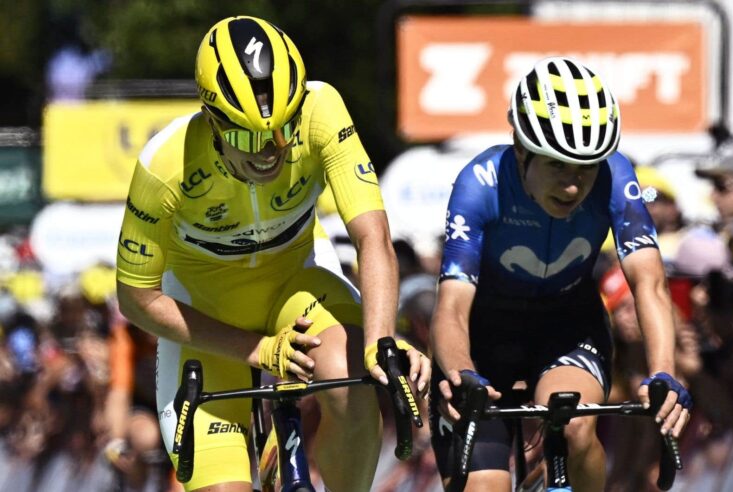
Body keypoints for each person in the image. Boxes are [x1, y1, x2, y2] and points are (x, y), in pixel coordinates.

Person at [115, 16, 430, 492]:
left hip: (298, 284)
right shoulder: (165, 166)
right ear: (213, 121)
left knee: (350, 384)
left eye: (283, 129)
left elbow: (373, 238)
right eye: (248, 137)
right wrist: (259, 351)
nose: (270, 150)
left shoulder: (321, 110)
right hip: (207, 317)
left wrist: (380, 342)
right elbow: (135, 299)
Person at [429, 57, 691, 492]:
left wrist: (663, 371)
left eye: (585, 168)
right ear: (520, 151)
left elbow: (650, 282)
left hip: (566, 327)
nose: (573, 185)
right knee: (485, 486)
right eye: (556, 165)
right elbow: (453, 304)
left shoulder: (615, 176)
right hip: (481, 335)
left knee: (575, 427)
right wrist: (461, 373)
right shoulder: (480, 182)